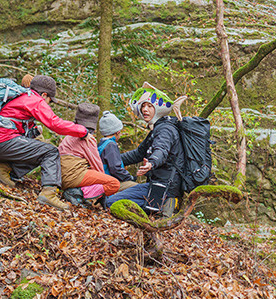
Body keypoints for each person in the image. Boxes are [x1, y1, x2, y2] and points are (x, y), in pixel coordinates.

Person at [0, 75, 89, 209]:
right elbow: (55, 124)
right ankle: (49, 194)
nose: (48, 103)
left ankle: (2, 168)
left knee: (37, 148)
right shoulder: (34, 100)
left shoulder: (20, 97)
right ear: (44, 95)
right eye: (50, 100)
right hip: (0, 141)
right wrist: (83, 131)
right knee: (51, 152)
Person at [103, 86, 186, 215]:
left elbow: (161, 150)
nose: (145, 109)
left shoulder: (165, 130)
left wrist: (151, 163)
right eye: (143, 106)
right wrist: (108, 159)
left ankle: (163, 206)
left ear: (158, 108)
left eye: (149, 106)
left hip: (165, 188)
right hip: (156, 186)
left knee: (111, 203)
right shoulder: (156, 129)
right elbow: (137, 154)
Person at [58, 103, 121, 199]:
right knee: (114, 184)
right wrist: (103, 187)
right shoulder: (88, 139)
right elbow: (96, 165)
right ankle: (78, 193)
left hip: (60, 177)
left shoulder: (68, 136)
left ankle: (78, 194)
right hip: (73, 176)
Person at [95, 111, 137, 191]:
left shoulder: (101, 144)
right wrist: (129, 177)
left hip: (103, 180)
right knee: (138, 188)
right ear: (117, 132)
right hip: (110, 182)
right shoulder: (111, 145)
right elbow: (115, 168)